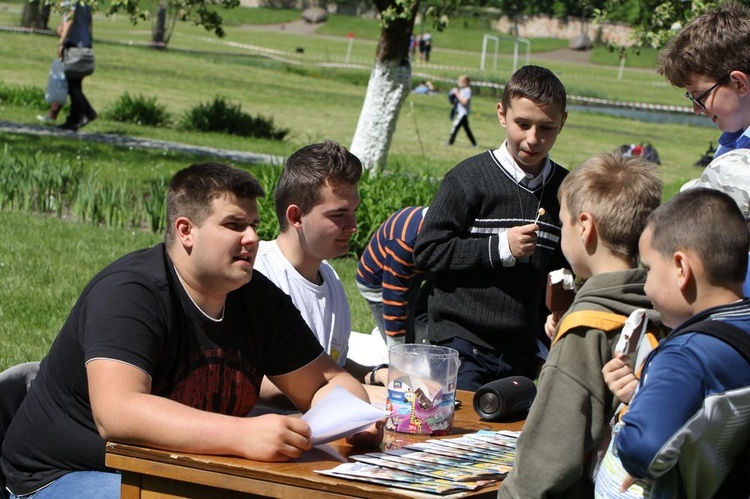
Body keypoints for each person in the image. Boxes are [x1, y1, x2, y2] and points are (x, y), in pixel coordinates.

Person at [0, 162, 382, 499]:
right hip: (64, 475)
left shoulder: (257, 298)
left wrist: (349, 420)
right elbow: (118, 413)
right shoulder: (130, 292)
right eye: (234, 225)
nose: (252, 238)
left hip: (187, 470)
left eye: (253, 225)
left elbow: (328, 381)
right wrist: (242, 435)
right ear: (186, 230)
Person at [497, 152, 664, 498]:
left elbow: (549, 456)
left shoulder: (585, 329)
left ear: (585, 227)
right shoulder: (661, 305)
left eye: (563, 222)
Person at [414, 65, 570, 390]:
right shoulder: (467, 180)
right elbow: (428, 253)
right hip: (460, 343)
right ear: (502, 114)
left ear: (562, 123)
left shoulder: (566, 189)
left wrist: (549, 334)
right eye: (522, 124)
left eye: (546, 128)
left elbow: (562, 270)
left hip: (523, 352)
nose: (532, 139)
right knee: (456, 434)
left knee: (507, 440)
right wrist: (499, 247)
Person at [610, 188, 750, 498]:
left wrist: (634, 414)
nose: (645, 286)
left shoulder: (685, 355)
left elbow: (644, 447)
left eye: (647, 269)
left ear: (681, 268)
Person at [252, 141, 387, 395]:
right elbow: (251, 379)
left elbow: (331, 365)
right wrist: (352, 393)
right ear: (295, 217)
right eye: (338, 215)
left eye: (354, 211)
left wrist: (377, 374)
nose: (353, 225)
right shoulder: (258, 276)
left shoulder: (330, 278)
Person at [657, 2, 750, 159]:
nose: (696, 109)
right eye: (692, 98)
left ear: (739, 84)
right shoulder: (730, 142)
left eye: (701, 96)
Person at [356, 206, 430, 348]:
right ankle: (388, 335)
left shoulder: (435, 222)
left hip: (411, 273)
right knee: (405, 343)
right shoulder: (404, 242)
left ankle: (417, 316)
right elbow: (393, 296)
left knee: (410, 310)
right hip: (378, 284)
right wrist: (397, 347)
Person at [57, 0, 97, 131]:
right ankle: (74, 119)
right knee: (76, 84)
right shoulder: (86, 2)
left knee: (71, 86)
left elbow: (70, 18)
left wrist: (62, 42)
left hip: (74, 44)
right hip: (85, 43)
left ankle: (88, 112)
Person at [445, 75, 477, 147]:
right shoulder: (462, 90)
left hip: (463, 113)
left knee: (455, 126)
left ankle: (450, 142)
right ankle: (474, 144)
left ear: (466, 82)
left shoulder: (468, 90)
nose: (459, 83)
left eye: (461, 81)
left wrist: (457, 94)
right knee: (467, 129)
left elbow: (464, 101)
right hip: (461, 112)